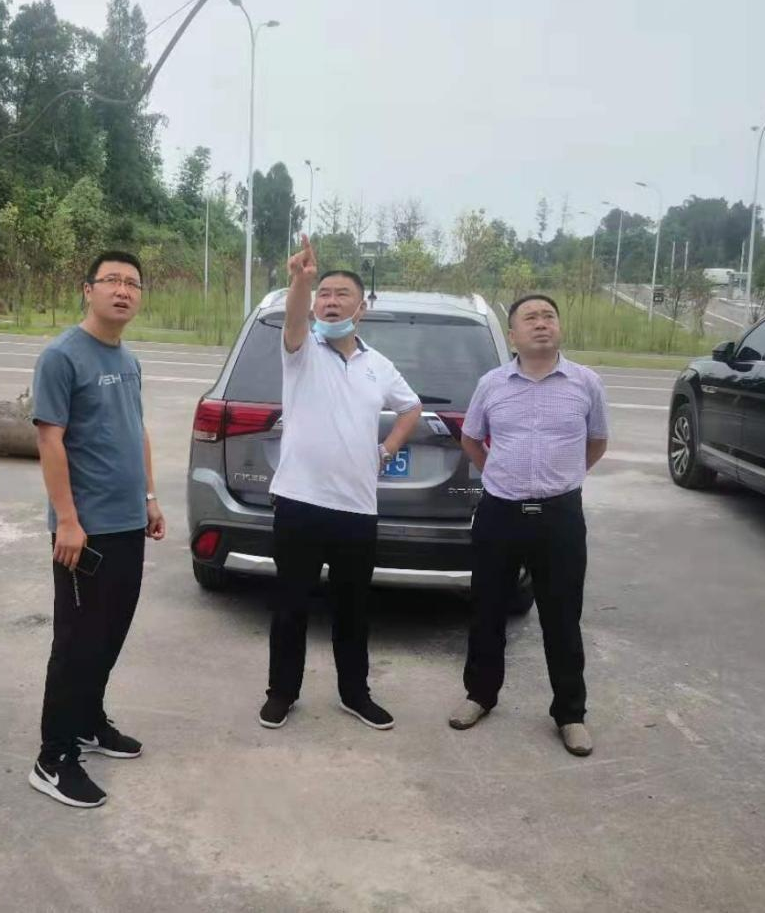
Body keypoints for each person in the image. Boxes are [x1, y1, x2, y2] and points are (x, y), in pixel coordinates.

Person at [259, 235, 423, 731]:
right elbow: (293, 319)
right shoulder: (302, 350)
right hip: (299, 503)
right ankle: (281, 693)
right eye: (323, 294)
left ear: (361, 307)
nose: (330, 302)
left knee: (352, 610)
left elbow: (411, 407)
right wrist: (300, 282)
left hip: (356, 508)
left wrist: (386, 450)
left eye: (341, 294)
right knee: (290, 606)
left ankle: (355, 693)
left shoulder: (378, 366)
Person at [27, 250, 167, 809]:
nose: (123, 290)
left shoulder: (128, 359)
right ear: (88, 290)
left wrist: (150, 497)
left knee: (110, 633)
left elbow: (137, 430)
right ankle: (53, 757)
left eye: (132, 283)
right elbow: (49, 439)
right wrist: (66, 519)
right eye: (111, 280)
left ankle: (87, 720)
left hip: (128, 520)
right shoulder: (62, 356)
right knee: (77, 643)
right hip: (84, 531)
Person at [448, 293, 609, 756]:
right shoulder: (492, 384)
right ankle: (480, 695)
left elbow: (597, 441)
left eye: (549, 316)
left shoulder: (586, 383)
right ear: (513, 334)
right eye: (531, 318)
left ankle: (570, 713)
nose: (541, 324)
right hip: (500, 513)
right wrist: (501, 474)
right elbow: (471, 439)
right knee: (487, 609)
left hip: (560, 516)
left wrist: (564, 479)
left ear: (559, 327)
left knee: (562, 616)